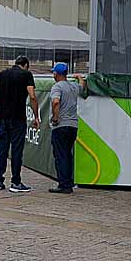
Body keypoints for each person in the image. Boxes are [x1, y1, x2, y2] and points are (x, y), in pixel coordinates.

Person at [0, 55, 39, 193]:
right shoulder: (26, 75)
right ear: (26, 65)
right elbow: (32, 96)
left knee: (2, 150)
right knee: (16, 151)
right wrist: (36, 116)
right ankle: (16, 182)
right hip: (18, 118)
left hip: (3, 118)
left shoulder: (3, 74)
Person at [49, 63, 85, 194]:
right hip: (73, 126)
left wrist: (55, 118)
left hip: (61, 126)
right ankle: (69, 182)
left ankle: (64, 185)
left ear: (56, 74)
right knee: (68, 154)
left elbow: (55, 102)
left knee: (60, 155)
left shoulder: (57, 87)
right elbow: (82, 86)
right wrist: (79, 77)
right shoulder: (74, 86)